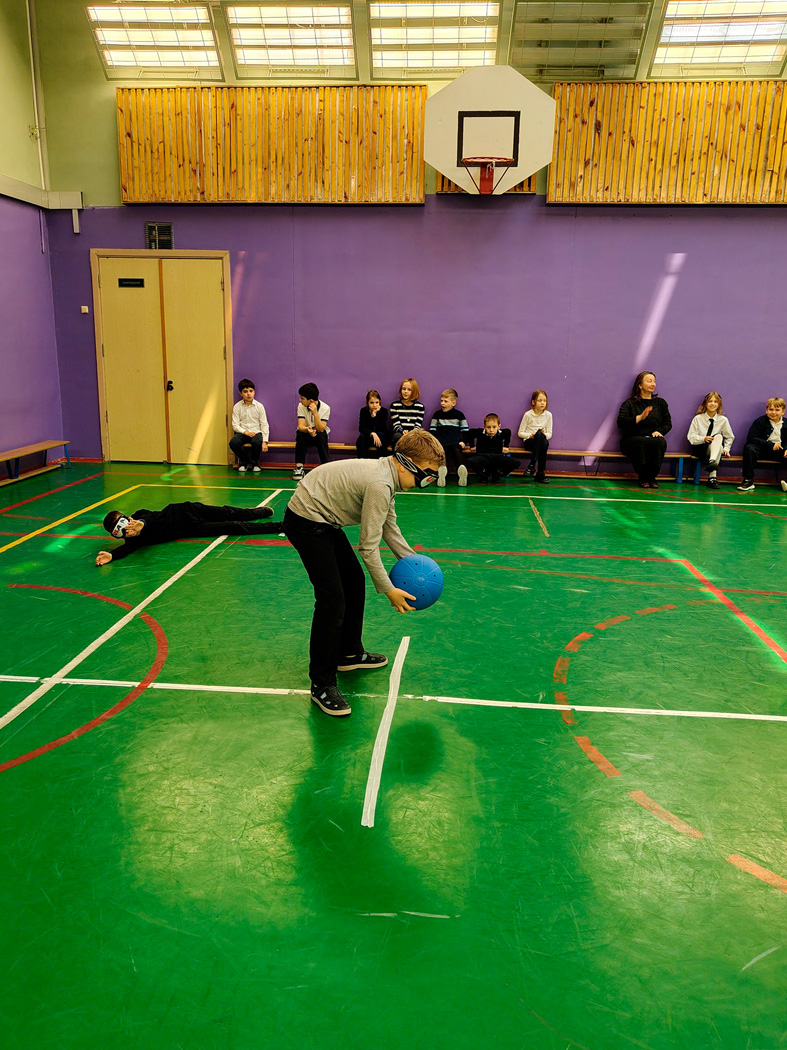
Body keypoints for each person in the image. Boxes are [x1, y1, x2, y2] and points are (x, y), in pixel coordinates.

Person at [283, 429, 445, 717]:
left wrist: (414, 564)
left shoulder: (389, 478)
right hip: (306, 521)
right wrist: (389, 590)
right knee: (332, 599)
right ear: (406, 464)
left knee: (354, 582)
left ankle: (348, 653)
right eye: (426, 475)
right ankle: (322, 683)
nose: (427, 482)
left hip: (325, 519)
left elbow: (389, 527)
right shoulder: (380, 484)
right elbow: (368, 548)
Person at [96, 502, 282, 565]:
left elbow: (148, 516)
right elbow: (125, 550)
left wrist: (141, 524)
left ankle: (255, 513)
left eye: (126, 526)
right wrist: (111, 555)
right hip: (190, 529)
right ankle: (278, 526)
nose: (127, 532)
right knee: (232, 526)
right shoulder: (134, 541)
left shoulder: (140, 516)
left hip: (187, 510)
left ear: (128, 518)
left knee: (227, 512)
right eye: (121, 534)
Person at [616, 371, 672, 489]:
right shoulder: (629, 403)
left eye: (654, 381)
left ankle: (652, 477)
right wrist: (639, 418)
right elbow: (621, 422)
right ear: (640, 385)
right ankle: (643, 477)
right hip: (632, 439)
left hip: (653, 438)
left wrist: (660, 431)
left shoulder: (660, 403)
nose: (653, 384)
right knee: (640, 442)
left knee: (660, 442)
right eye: (649, 381)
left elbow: (667, 423)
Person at [738, 397, 787, 493]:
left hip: (780, 451)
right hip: (763, 449)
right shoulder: (760, 421)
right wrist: (769, 444)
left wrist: (786, 448)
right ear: (766, 410)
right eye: (771, 409)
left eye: (777, 410)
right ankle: (748, 480)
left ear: (783, 411)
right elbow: (751, 437)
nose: (773, 412)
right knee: (749, 448)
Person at [687, 392, 734, 489]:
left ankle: (712, 462)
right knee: (719, 444)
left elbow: (729, 437)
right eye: (710, 401)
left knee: (719, 437)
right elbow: (690, 437)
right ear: (705, 403)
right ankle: (712, 478)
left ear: (719, 405)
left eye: (715, 402)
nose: (713, 404)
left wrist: (726, 449)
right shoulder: (698, 418)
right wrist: (703, 438)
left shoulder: (723, 420)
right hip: (700, 448)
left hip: (714, 449)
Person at [430, 388, 470, 486]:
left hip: (455, 443)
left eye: (445, 401)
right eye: (441, 401)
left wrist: (463, 441)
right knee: (443, 454)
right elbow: (432, 430)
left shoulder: (459, 415)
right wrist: (435, 442)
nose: (442, 403)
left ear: (453, 403)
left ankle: (461, 470)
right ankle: (442, 472)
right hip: (441, 443)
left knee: (456, 452)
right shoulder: (437, 414)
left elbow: (466, 431)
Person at [229, 378, 269, 472]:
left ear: (254, 392)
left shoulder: (259, 406)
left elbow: (264, 424)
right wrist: (245, 432)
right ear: (241, 393)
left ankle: (255, 462)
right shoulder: (237, 407)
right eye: (245, 391)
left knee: (257, 442)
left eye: (251, 391)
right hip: (242, 433)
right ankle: (245, 461)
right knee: (233, 443)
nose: (248, 394)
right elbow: (235, 425)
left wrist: (265, 441)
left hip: (256, 433)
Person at [466, 414, 521, 483]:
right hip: (483, 456)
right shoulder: (480, 433)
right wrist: (472, 446)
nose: (491, 430)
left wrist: (506, 446)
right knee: (469, 461)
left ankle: (497, 473)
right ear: (484, 427)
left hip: (497, 457)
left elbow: (508, 432)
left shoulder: (502, 433)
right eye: (488, 427)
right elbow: (470, 433)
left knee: (516, 462)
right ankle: (483, 473)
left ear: (499, 426)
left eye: (494, 427)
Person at [293, 382, 330, 481]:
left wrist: (315, 413)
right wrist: (308, 430)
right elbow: (301, 426)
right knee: (300, 434)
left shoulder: (326, 408)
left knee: (322, 435)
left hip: (318, 434)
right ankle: (299, 467)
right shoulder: (301, 406)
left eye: (302, 398)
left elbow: (321, 428)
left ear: (311, 401)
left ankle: (326, 468)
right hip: (307, 433)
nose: (300, 400)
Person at [518, 389, 553, 484]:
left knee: (542, 438)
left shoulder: (548, 415)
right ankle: (540, 474)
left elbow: (549, 434)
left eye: (544, 400)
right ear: (533, 402)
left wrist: (543, 434)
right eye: (540, 400)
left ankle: (532, 465)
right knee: (543, 442)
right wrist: (530, 435)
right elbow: (520, 433)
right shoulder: (528, 414)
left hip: (541, 441)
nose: (543, 403)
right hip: (529, 442)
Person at [389, 378, 425, 448]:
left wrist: (411, 433)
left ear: (414, 391)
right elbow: (396, 424)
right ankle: (397, 455)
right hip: (400, 434)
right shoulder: (394, 405)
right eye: (404, 389)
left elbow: (418, 425)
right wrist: (402, 431)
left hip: (414, 434)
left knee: (418, 439)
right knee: (397, 436)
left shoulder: (420, 407)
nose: (405, 391)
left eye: (409, 390)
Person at [356, 389, 390, 459]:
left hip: (381, 437)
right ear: (367, 403)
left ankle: (381, 461)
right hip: (369, 437)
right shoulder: (364, 411)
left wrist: (374, 416)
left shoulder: (383, 411)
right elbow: (361, 428)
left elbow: (382, 428)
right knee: (362, 437)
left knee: (381, 435)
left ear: (380, 402)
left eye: (377, 402)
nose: (374, 405)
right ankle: (362, 461)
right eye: (371, 403)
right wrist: (372, 433)